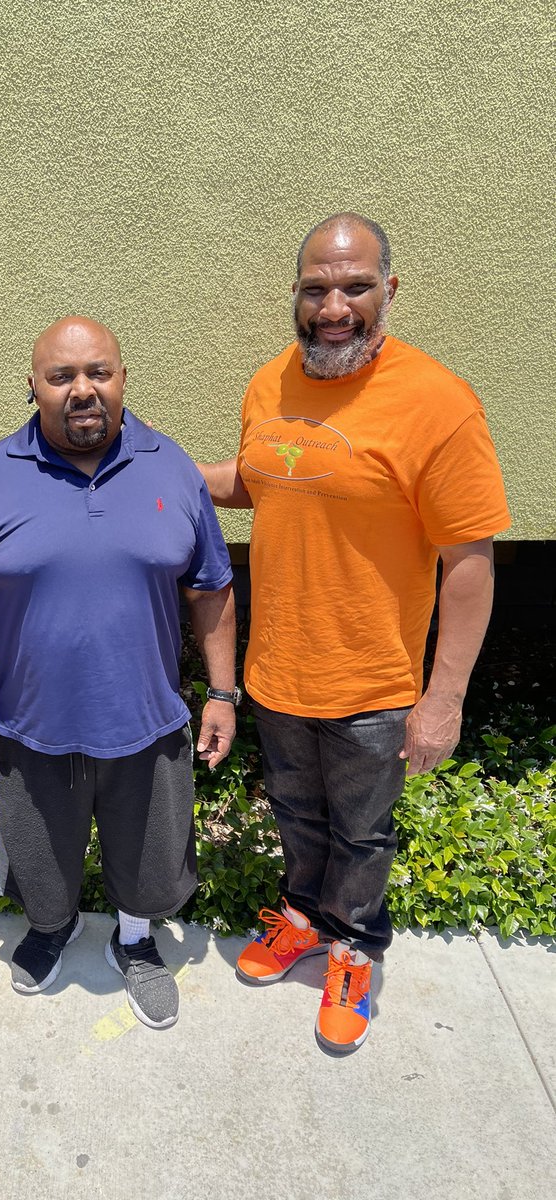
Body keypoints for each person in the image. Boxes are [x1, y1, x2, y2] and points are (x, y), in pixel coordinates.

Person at [200, 213, 510, 1054]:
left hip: (373, 685)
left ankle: (354, 949)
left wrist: (443, 699)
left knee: (363, 834)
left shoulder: (438, 403)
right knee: (296, 813)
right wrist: (162, 469)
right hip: (277, 671)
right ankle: (304, 917)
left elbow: (470, 561)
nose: (334, 306)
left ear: (389, 291)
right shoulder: (269, 384)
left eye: (354, 287)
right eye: (316, 288)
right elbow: (259, 480)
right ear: (295, 296)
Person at [0, 316, 237, 1029]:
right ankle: (52, 927)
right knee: (42, 857)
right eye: (61, 377)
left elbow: (212, 586)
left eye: (98, 371)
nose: (82, 390)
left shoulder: (173, 468)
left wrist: (222, 692)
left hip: (148, 720)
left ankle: (135, 938)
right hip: (35, 726)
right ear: (31, 387)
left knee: (150, 855)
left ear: (124, 379)